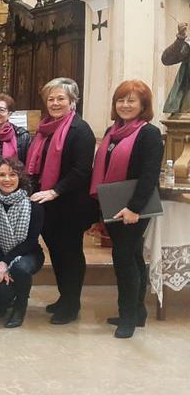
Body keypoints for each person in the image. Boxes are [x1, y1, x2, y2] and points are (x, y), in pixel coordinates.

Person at [91, 80, 163, 338]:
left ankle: (128, 317)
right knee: (131, 257)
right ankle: (137, 312)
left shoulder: (149, 134)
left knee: (123, 259)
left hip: (134, 207)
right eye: (121, 100)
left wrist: (134, 209)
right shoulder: (113, 131)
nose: (125, 105)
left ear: (143, 105)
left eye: (131, 101)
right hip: (112, 202)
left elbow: (149, 175)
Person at [26, 77, 96, 325]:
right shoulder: (45, 128)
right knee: (56, 251)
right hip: (48, 204)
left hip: (70, 205)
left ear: (72, 101)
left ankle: (71, 304)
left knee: (71, 254)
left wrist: (55, 191)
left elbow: (81, 171)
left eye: (60, 99)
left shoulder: (80, 130)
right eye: (51, 99)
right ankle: (64, 296)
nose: (55, 103)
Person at [0, 158, 44, 328]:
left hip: (28, 253)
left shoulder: (34, 206)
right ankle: (5, 298)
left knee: (20, 268)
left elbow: (30, 242)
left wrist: (6, 261)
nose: (7, 179)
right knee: (2, 294)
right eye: (2, 175)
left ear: (20, 177)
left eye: (12, 174)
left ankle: (20, 306)